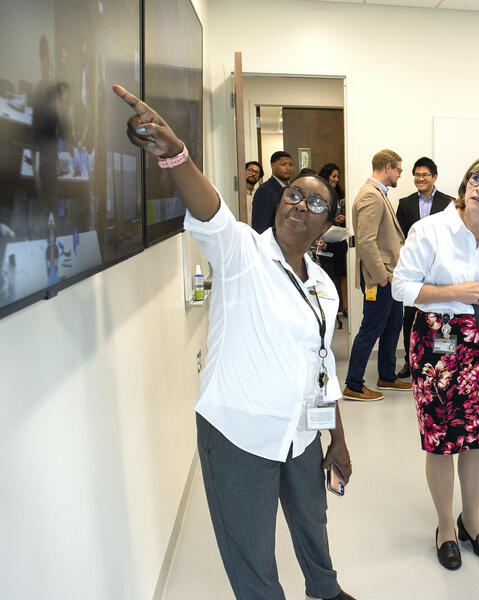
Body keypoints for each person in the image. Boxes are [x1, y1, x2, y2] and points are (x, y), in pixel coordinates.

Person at [113, 84, 356, 600]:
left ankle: (326, 590)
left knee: (313, 521)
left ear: (326, 223)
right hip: (238, 432)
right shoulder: (241, 249)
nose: (300, 204)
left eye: (316, 202)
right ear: (280, 198)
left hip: (299, 432)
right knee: (251, 551)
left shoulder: (321, 286)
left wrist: (337, 436)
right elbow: (209, 207)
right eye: (295, 193)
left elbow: (321, 368)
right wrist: (175, 154)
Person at [393, 155, 479, 571]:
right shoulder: (430, 228)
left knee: (478, 436)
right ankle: (444, 527)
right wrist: (457, 291)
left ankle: (470, 519)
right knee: (440, 439)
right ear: (465, 182)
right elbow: (402, 286)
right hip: (436, 340)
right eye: (476, 179)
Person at [342, 149, 411, 401]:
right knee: (370, 329)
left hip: (391, 277)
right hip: (381, 278)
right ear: (389, 167)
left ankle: (387, 376)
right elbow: (366, 242)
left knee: (393, 326)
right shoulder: (371, 196)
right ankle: (354, 384)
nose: (399, 176)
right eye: (399, 171)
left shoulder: (378, 193)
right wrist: (382, 276)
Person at [395, 156, 454, 379]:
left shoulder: (449, 203)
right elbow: (399, 236)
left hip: (439, 270)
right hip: (415, 269)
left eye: (425, 175)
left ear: (434, 177)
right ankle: (409, 362)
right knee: (410, 317)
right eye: (417, 175)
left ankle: (443, 360)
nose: (420, 178)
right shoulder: (405, 203)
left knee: (443, 316)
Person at [317, 162, 349, 318]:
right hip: (323, 240)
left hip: (337, 238)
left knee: (343, 273)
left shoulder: (339, 194)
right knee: (328, 276)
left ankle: (345, 306)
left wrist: (339, 218)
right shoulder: (319, 194)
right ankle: (330, 308)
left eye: (338, 176)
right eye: (334, 176)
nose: (336, 179)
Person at [252, 150, 294, 233]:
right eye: (283, 164)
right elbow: (261, 226)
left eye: (291, 165)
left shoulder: (293, 189)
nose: (288, 168)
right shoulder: (265, 190)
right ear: (272, 165)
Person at [244, 160, 263, 225]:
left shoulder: (260, 195)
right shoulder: (237, 194)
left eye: (257, 172)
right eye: (251, 170)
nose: (253, 174)